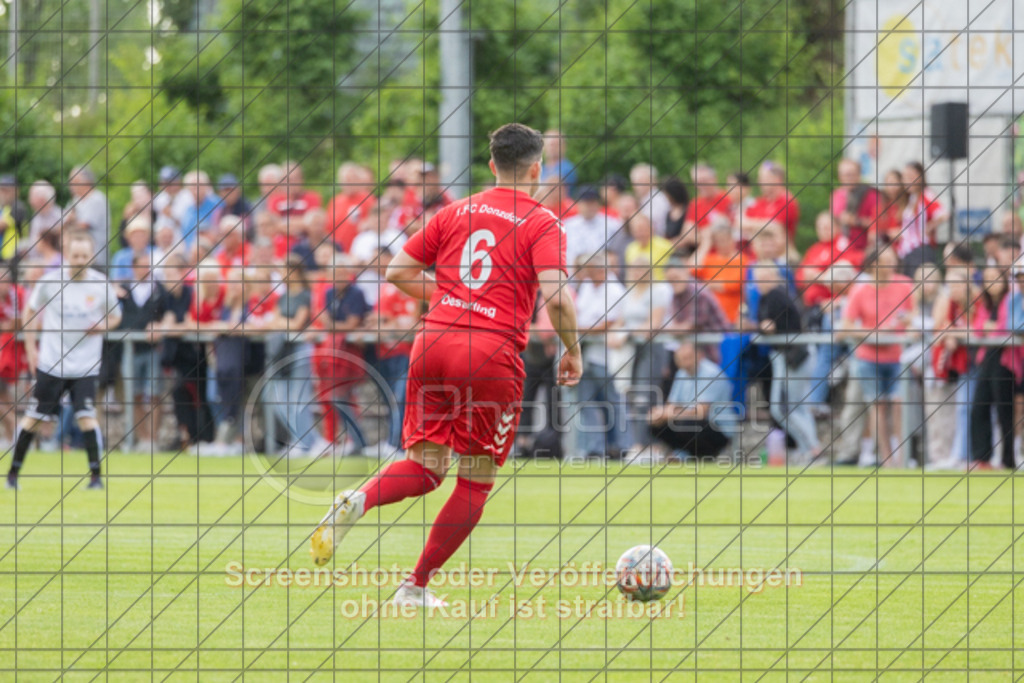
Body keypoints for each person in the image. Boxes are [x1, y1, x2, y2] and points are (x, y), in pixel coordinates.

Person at [310, 123, 581, 608]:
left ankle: (357, 501)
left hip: (432, 341)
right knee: (475, 478)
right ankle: (414, 587)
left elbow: (397, 272)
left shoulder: (457, 211)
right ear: (538, 169)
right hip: (489, 352)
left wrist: (459, 298)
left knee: (426, 467)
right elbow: (558, 300)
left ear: (493, 165)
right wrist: (573, 350)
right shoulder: (542, 222)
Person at [7, 233, 121, 490]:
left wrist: (103, 324)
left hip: (85, 366)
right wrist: (30, 348)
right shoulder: (50, 282)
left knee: (87, 417)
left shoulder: (100, 284)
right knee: (34, 418)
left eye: (84, 256)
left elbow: (115, 317)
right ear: (67, 255)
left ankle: (96, 478)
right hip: (52, 362)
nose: (79, 260)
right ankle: (13, 474)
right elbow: (29, 311)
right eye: (75, 255)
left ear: (91, 256)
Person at [839, 246, 916, 467]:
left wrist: (905, 327)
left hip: (897, 356)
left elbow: (913, 317)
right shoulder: (860, 291)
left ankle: (903, 456)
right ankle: (886, 458)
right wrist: (873, 334)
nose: (890, 266)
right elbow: (845, 326)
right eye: (885, 261)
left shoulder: (904, 285)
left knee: (899, 404)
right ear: (873, 265)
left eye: (892, 260)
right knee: (878, 407)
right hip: (868, 358)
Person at [648, 343, 734, 460]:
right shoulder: (681, 373)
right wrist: (660, 414)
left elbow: (700, 412)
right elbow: (671, 405)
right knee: (656, 423)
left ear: (700, 355)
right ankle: (683, 453)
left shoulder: (711, 373)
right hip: (694, 424)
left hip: (718, 429)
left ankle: (695, 455)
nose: (685, 362)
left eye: (688, 357)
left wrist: (668, 414)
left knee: (685, 424)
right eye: (681, 359)